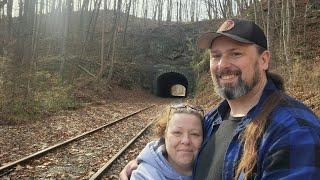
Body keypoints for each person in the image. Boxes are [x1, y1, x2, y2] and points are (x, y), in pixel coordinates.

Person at [120, 18, 320, 180]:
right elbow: (176, 159)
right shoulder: (210, 122)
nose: (222, 64)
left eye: (235, 53)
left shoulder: (293, 129)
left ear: (263, 60)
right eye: (216, 56)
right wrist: (146, 166)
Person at [130, 103, 204, 180]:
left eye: (194, 134)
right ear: (164, 135)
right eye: (177, 133)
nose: (186, 141)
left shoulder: (212, 167)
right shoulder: (144, 176)